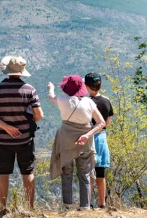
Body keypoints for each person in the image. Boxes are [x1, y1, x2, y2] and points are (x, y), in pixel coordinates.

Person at [0, 55, 44, 217]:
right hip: (25, 139)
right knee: (28, 172)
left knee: (3, 173)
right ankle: (29, 209)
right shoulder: (29, 90)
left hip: (2, 139)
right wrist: (27, 121)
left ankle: (3, 209)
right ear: (22, 72)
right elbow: (39, 115)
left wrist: (6, 127)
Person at [48, 75, 105, 211]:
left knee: (66, 173)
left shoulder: (62, 100)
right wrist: (87, 135)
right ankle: (85, 206)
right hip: (84, 143)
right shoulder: (89, 103)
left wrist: (50, 88)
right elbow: (101, 123)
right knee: (85, 174)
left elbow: (51, 97)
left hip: (66, 141)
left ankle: (68, 206)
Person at [85, 73, 114, 209]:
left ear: (86, 86)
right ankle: (102, 203)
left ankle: (88, 203)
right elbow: (107, 122)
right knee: (100, 173)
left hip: (89, 138)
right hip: (102, 139)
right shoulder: (106, 100)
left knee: (89, 173)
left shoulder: (85, 102)